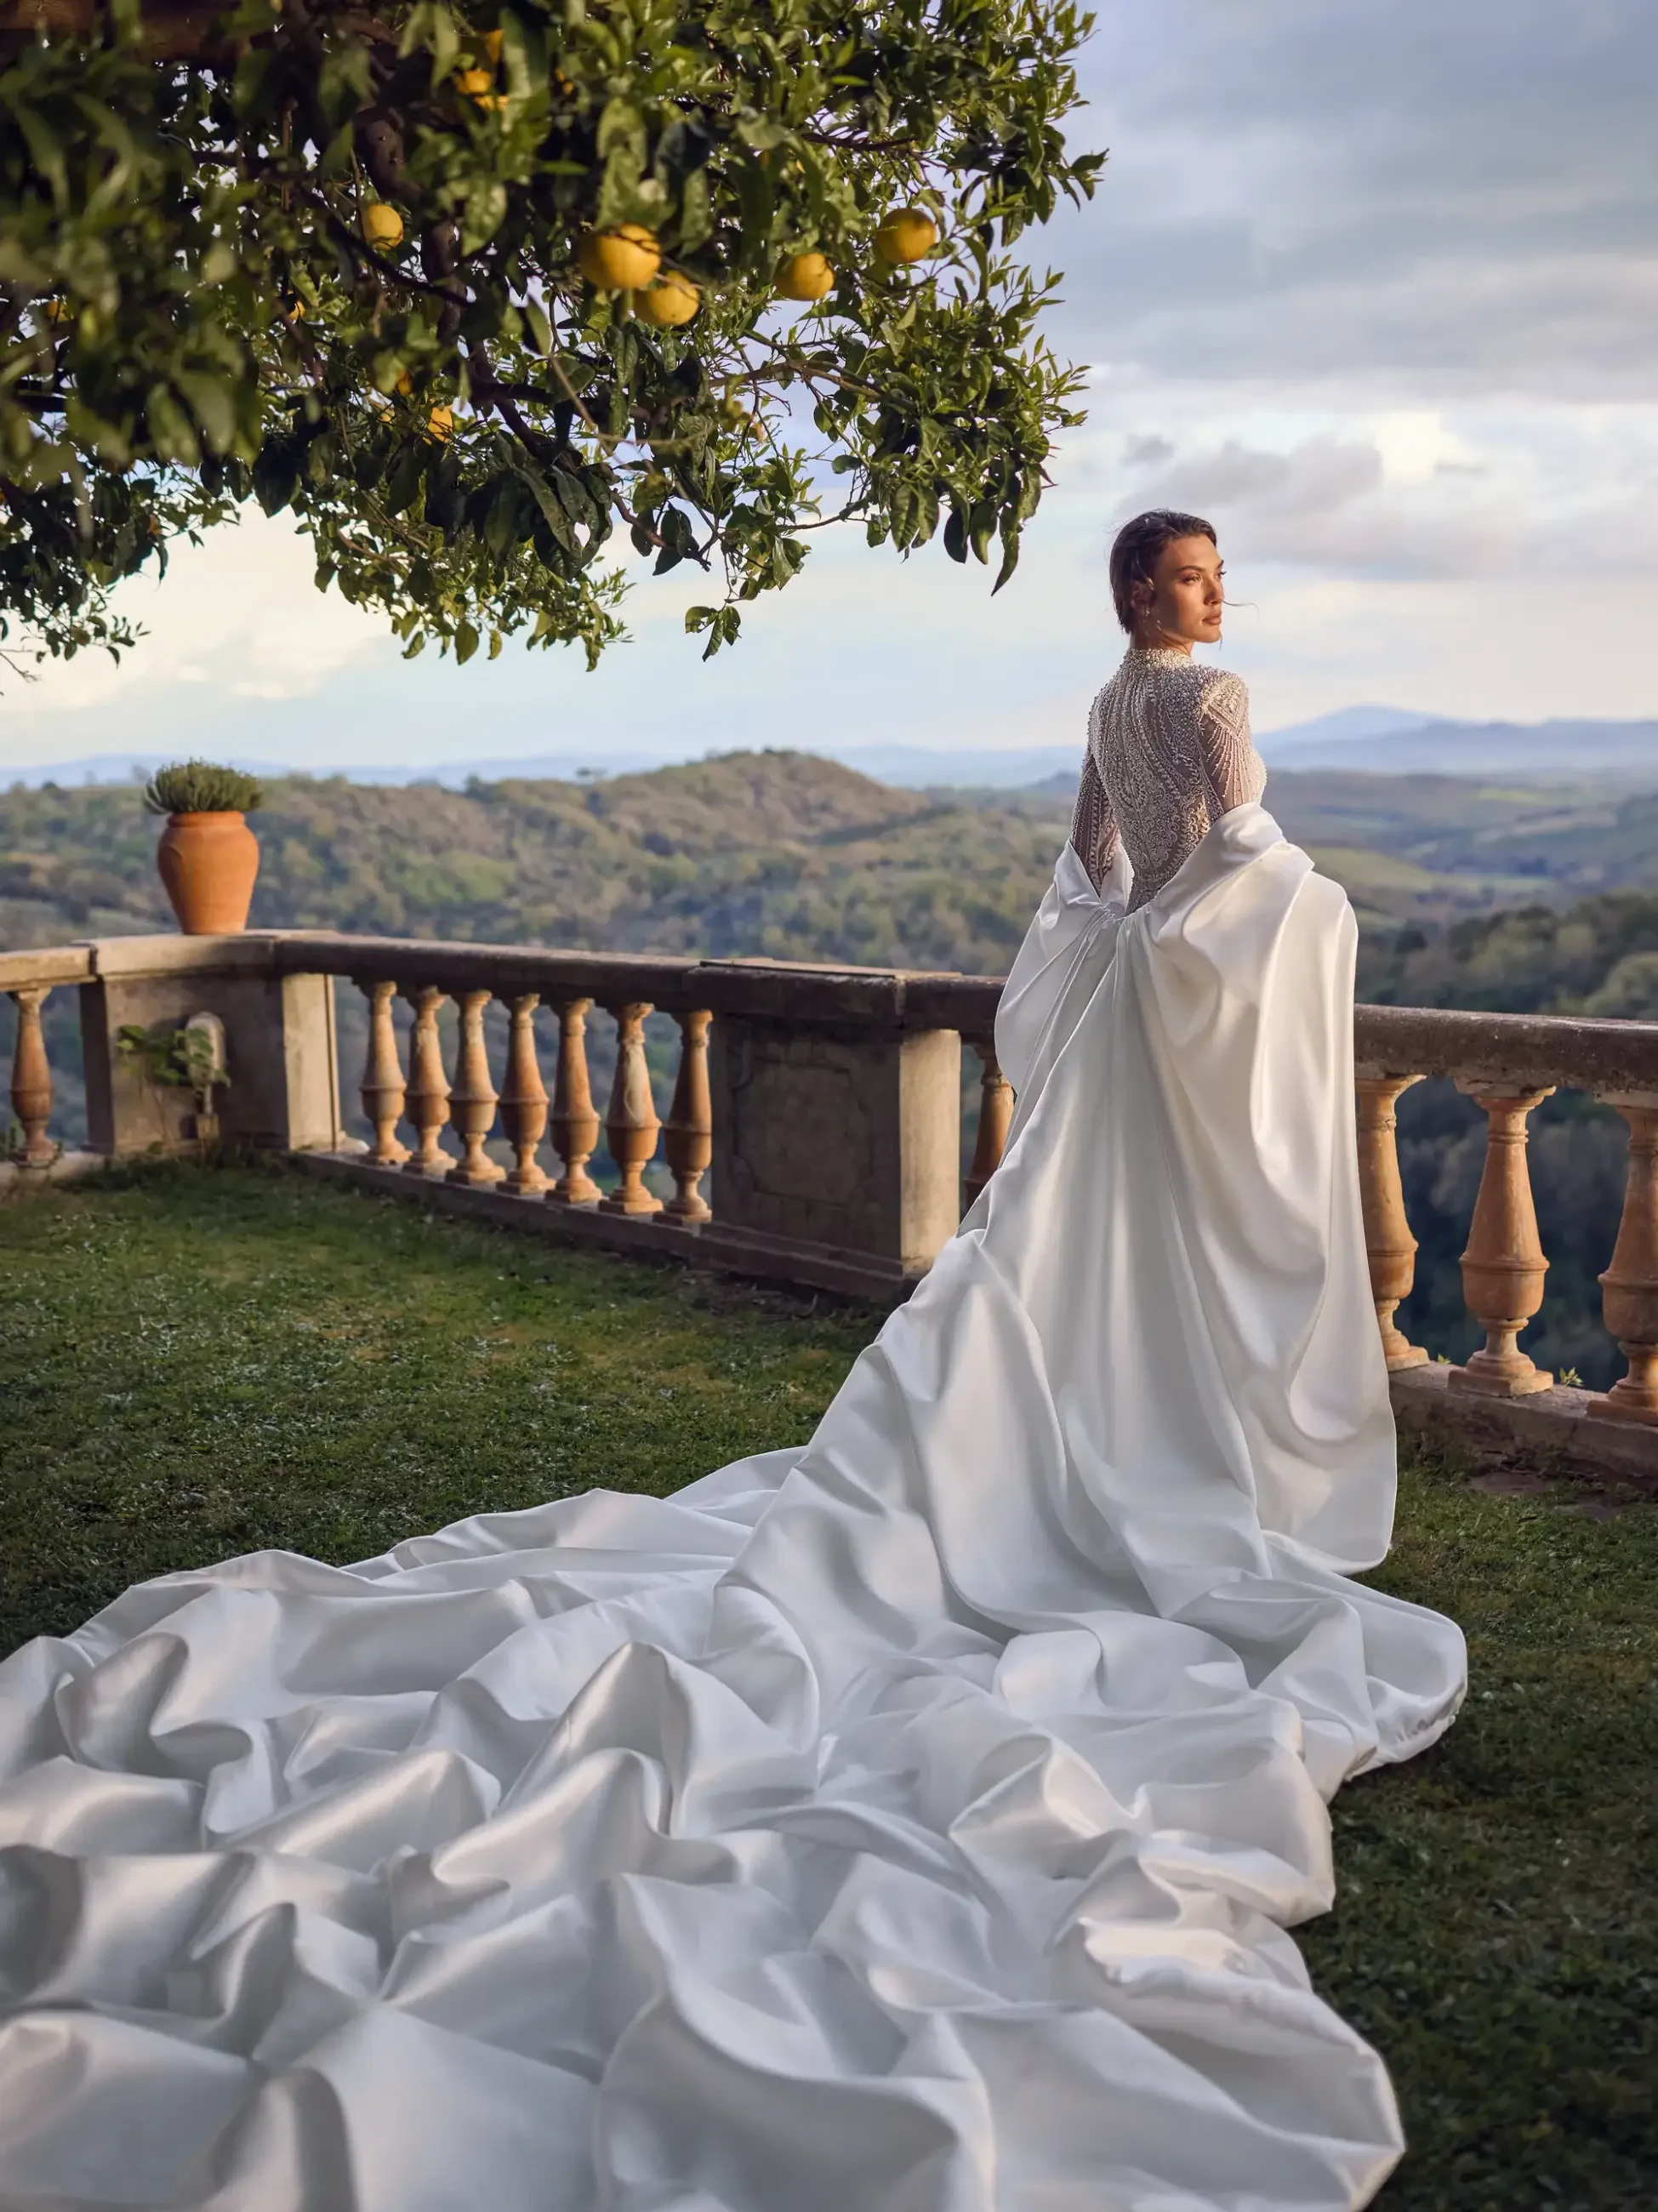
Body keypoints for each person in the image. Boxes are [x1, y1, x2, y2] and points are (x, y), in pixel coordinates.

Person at [0, 511, 1467, 2212]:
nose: (1210, 597)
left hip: (1117, 1028)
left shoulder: (1095, 705)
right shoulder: (1206, 703)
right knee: (1159, 1263)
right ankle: (1136, 1477)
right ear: (1156, 592)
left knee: (1055, 1265)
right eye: (1192, 576)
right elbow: (1229, 869)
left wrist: (1131, 947)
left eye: (1206, 578)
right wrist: (1300, 901)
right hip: (1170, 1018)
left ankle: (1049, 1468)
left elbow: (1094, 880)